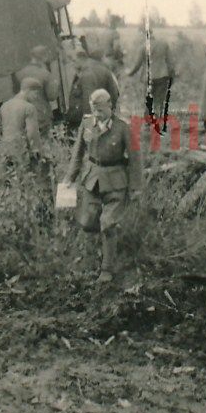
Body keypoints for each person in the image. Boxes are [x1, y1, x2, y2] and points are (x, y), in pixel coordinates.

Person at [63, 89, 143, 284]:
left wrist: (135, 188)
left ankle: (107, 269)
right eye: (94, 110)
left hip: (116, 182)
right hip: (92, 180)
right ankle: (108, 243)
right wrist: (69, 178)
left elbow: (135, 158)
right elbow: (78, 153)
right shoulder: (87, 124)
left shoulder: (123, 127)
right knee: (87, 222)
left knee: (107, 223)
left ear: (111, 107)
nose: (97, 114)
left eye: (100, 110)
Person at [127, 31, 177, 123]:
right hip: (162, 76)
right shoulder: (164, 45)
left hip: (148, 78)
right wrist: (172, 76)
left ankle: (147, 122)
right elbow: (170, 63)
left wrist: (130, 73)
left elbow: (137, 64)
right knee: (159, 100)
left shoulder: (143, 47)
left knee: (148, 100)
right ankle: (157, 121)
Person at [0, 78, 44, 163]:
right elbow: (31, 134)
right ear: (29, 91)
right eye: (36, 94)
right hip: (21, 152)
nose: (36, 98)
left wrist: (1, 148)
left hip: (4, 152)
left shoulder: (4, 106)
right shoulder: (29, 108)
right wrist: (37, 152)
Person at [69, 49, 120, 131]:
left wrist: (88, 126)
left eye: (74, 61)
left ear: (80, 59)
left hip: (89, 120)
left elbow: (88, 99)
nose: (72, 64)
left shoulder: (87, 73)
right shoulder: (102, 69)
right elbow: (114, 94)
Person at [15, 45, 58, 134]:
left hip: (24, 115)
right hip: (41, 116)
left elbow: (15, 92)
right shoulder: (45, 74)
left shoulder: (19, 73)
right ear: (43, 58)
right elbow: (52, 96)